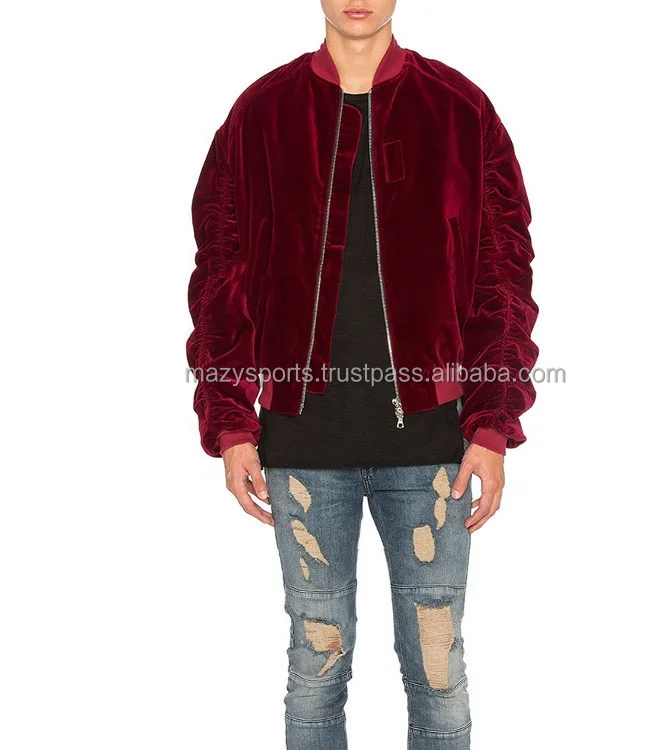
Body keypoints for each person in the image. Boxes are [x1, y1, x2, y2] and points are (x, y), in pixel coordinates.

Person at [186, 2, 538, 747]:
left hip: (433, 447)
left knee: (438, 674)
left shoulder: (460, 110)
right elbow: (221, 274)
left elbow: (502, 276)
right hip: (302, 446)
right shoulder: (261, 115)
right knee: (316, 672)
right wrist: (231, 420)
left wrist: (490, 423)